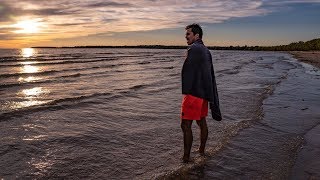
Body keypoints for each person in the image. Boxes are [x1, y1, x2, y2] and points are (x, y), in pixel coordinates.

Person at [181, 23, 222, 163]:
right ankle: (201, 151)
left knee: (185, 125)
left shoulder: (194, 48)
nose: (186, 36)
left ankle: (186, 159)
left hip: (193, 93)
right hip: (204, 93)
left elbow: (188, 71)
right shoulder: (205, 50)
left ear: (196, 35)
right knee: (201, 121)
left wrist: (188, 54)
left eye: (188, 34)